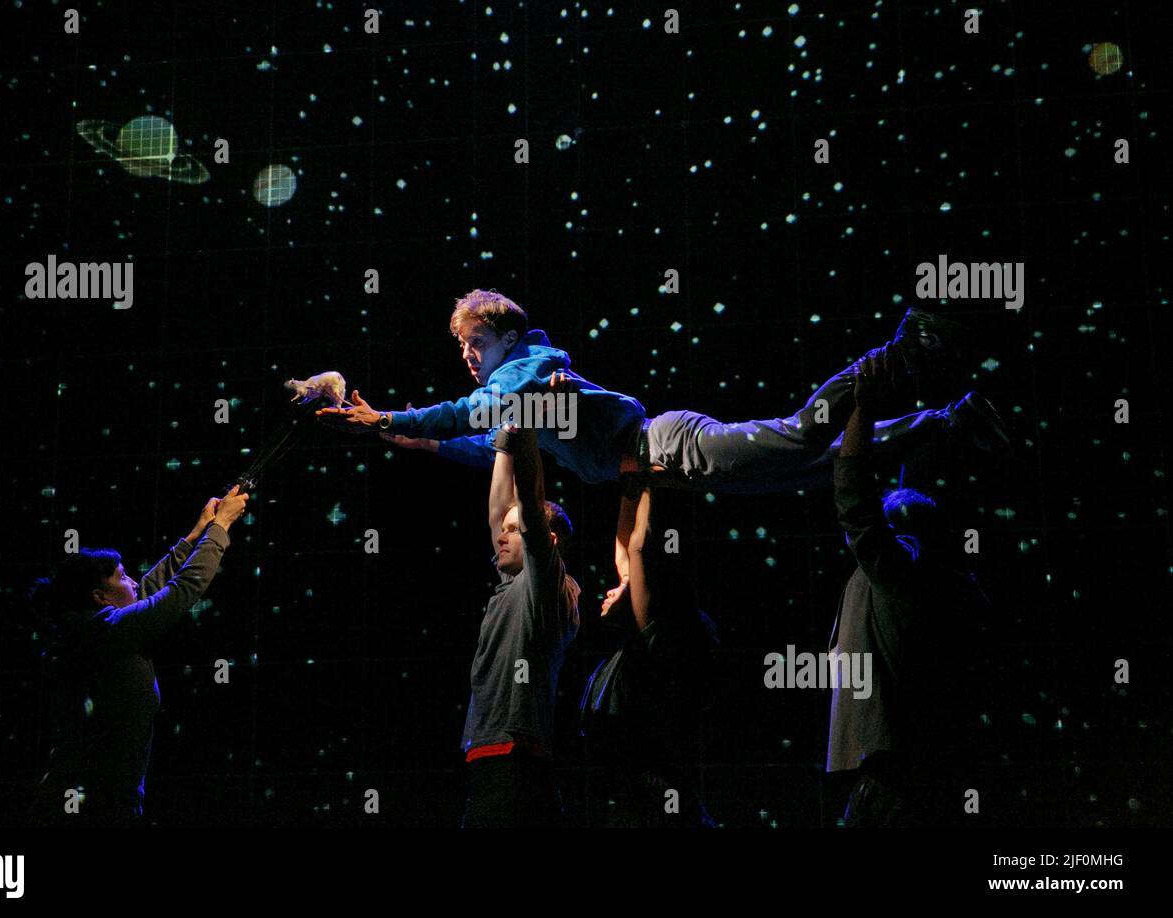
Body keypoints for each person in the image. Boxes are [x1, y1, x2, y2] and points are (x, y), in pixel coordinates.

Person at [311, 289, 1007, 603]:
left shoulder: (526, 364)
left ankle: (898, 348)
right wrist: (394, 432)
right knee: (820, 466)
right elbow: (477, 443)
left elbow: (476, 412)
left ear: (505, 338)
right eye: (462, 347)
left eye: (474, 343)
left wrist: (391, 420)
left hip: (666, 444)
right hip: (666, 469)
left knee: (802, 434)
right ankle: (949, 420)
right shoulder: (516, 400)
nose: (467, 355)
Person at [825, 353, 990, 826]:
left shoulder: (903, 575)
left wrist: (865, 408)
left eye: (890, 518)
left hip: (898, 779)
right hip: (897, 770)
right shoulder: (914, 581)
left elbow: (854, 495)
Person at [29, 485, 248, 826]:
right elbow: (180, 591)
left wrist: (196, 533)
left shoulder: (98, 628)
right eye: (122, 576)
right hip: (93, 808)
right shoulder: (107, 632)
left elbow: (145, 591)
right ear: (101, 597)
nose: (133, 580)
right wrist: (221, 528)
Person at [461, 423, 581, 828]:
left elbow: (528, 503)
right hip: (489, 755)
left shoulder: (546, 587)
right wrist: (503, 442)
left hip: (515, 757)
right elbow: (500, 509)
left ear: (542, 539)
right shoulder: (511, 585)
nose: (501, 536)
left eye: (513, 532)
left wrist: (524, 429)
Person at [580, 477, 718, 827]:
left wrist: (648, 482)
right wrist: (631, 484)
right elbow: (627, 554)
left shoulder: (654, 643)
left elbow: (639, 548)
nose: (610, 591)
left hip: (655, 794)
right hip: (638, 790)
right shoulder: (638, 643)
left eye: (621, 588)